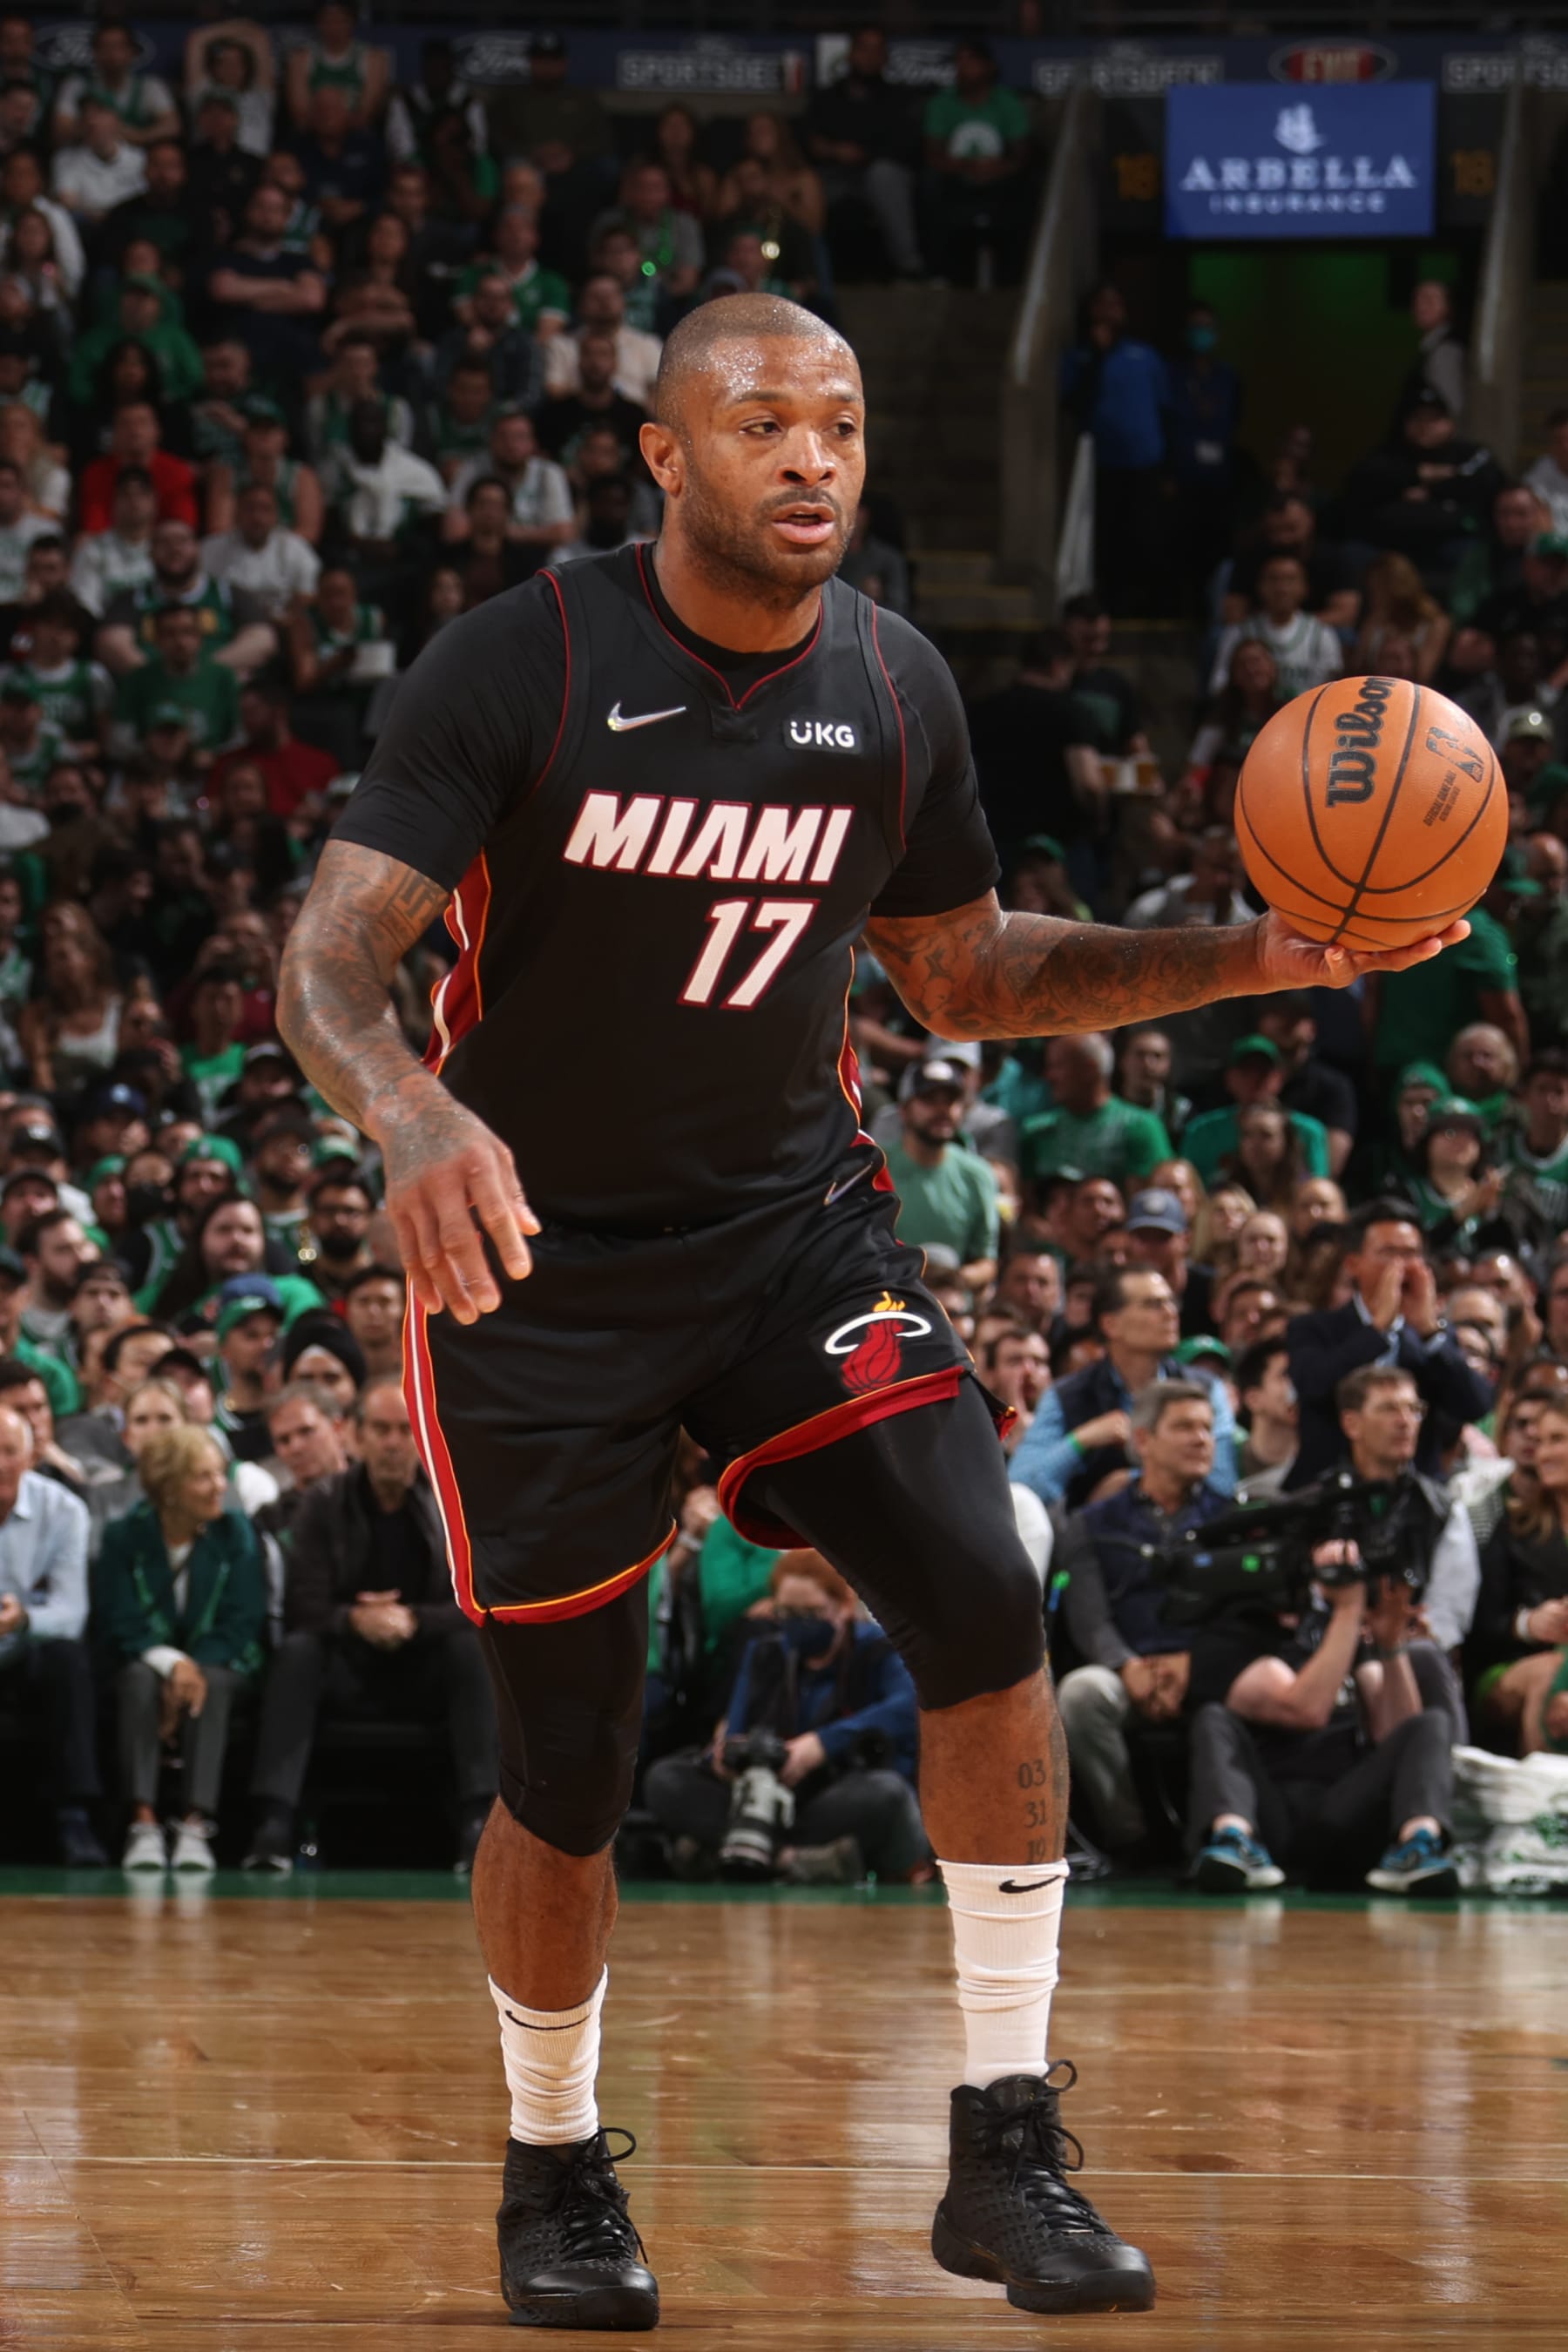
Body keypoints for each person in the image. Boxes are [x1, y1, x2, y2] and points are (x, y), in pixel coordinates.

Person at [279, 290, 1461, 2328]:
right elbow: (327, 959)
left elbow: (971, 973)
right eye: (761, 422)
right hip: (536, 1274)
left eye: (836, 420)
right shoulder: (524, 660)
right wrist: (407, 1110)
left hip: (789, 1241)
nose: (813, 455)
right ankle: (553, 2158)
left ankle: (1003, 2143)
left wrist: (1242, 955)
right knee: (563, 1766)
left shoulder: (897, 685)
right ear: (664, 455)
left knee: (985, 1598)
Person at [244, 1375, 496, 1873]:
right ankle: (273, 1824)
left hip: (424, 1666)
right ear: (354, 1437)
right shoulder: (322, 1503)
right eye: (380, 1429)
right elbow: (303, 1604)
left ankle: (479, 1824)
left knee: (470, 1651)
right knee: (297, 1652)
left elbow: (474, 1605)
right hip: (347, 1666)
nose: (393, 1442)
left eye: (405, 1430)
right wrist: (357, 1619)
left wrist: (411, 1619)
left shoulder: (451, 1506)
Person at [644, 1546, 925, 1885]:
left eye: (810, 1612)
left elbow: (909, 1708)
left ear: (844, 1607)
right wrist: (725, 1758)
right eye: (787, 1612)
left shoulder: (878, 1649)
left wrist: (820, 1746)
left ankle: (744, 1853)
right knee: (665, 1778)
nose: (798, 1623)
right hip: (765, 1798)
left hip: (835, 1792)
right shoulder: (766, 1651)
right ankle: (792, 1860)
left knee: (887, 1793)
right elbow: (737, 1727)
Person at [1053, 1381, 1228, 1857]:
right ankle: (1132, 1840)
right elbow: (1088, 1617)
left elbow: (1238, 1617)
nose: (1202, 1439)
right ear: (1144, 1441)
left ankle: (1224, 1834)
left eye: (1208, 1429)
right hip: (1126, 1672)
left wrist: (1195, 1663)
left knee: (1247, 1685)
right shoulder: (1093, 1523)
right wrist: (1126, 1666)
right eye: (1185, 1427)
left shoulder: (1234, 1519)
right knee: (1081, 1694)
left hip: (1204, 1668)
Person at [92, 1420, 266, 1871]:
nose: (218, 1487)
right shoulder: (123, 1538)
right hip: (146, 1660)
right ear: (169, 1488)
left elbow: (242, 1621)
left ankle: (194, 1824)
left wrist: (190, 1670)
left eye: (220, 1473)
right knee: (136, 1681)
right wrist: (171, 1666)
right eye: (203, 1476)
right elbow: (120, 1620)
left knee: (213, 1684)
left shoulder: (237, 1534)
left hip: (220, 1659)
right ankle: (143, 1823)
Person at [1284, 1200, 1493, 1488]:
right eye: (1388, 1253)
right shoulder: (1313, 1328)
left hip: (1415, 1502)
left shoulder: (1434, 1339)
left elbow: (1475, 1404)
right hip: (1326, 1494)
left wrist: (1429, 1331)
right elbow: (1314, 1385)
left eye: (1411, 1254)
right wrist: (1376, 1331)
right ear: (1352, 1263)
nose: (1402, 1266)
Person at [1012, 1266, 1237, 1512]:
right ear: (1111, 1324)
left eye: (1171, 1303)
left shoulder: (1205, 1389)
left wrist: (1137, 1485)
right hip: (1097, 1542)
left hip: (1191, 1533)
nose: (1170, 1313)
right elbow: (1019, 1491)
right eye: (1153, 1304)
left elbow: (1223, 1483)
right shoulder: (1066, 1395)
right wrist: (1081, 1440)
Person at [0, 1396, 98, 1862]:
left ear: (31, 1455)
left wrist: (22, 1618)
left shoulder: (64, 1510)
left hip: (26, 1648)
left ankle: (73, 1818)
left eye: (7, 1450)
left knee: (67, 1657)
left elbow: (72, 1611)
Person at [1469, 1391, 1568, 1752]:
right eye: (1540, 1442)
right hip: (1512, 1666)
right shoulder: (1513, 1527)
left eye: (1558, 1439)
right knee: (1549, 1670)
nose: (1542, 1454)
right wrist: (1527, 1624)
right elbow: (1479, 1627)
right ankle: (1540, 1803)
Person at [801, 25, 923, 280]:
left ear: (886, 58)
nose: (870, 56)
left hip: (877, 174)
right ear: (851, 54)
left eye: (877, 50)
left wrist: (864, 155)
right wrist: (835, 151)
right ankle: (806, 273)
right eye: (864, 49)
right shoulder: (827, 97)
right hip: (833, 173)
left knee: (885, 175)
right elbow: (810, 141)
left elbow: (905, 145)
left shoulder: (899, 99)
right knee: (806, 185)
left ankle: (909, 267)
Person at [877, 1058, 997, 1290]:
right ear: (904, 1110)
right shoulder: (878, 1167)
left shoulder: (978, 1175)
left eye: (950, 1101)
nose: (942, 1110)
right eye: (929, 1100)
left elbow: (987, 1261)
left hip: (951, 1304)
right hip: (888, 1295)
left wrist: (950, 1280)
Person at [1018, 1034, 1171, 1193]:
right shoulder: (1036, 1131)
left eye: (1058, 1066)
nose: (1049, 1076)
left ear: (1089, 1069)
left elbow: (1149, 1203)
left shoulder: (1140, 1126)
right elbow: (1025, 1204)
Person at [1233, 1337, 1298, 1493]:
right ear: (1253, 1400)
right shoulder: (1226, 1463)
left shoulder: (1321, 1459)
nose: (1297, 1384)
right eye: (1285, 1375)